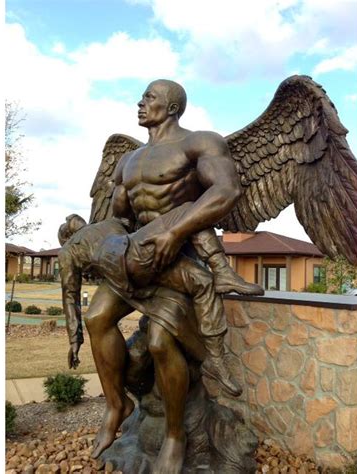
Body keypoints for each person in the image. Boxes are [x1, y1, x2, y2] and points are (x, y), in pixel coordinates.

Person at [81, 79, 252, 474]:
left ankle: (176, 436)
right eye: (141, 97)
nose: (140, 103)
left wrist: (175, 232)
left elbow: (225, 191)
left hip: (179, 257)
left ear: (172, 107)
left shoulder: (199, 143)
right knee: (96, 317)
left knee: (159, 342)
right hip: (135, 258)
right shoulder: (128, 160)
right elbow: (119, 218)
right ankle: (116, 405)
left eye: (150, 98)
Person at [58, 203, 249, 392]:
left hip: (141, 255)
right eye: (67, 224)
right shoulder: (68, 249)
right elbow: (70, 295)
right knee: (190, 208)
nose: (71, 221)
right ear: (67, 235)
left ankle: (215, 360)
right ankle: (222, 270)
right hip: (130, 256)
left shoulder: (107, 222)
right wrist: (75, 340)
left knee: (205, 281)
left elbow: (133, 216)